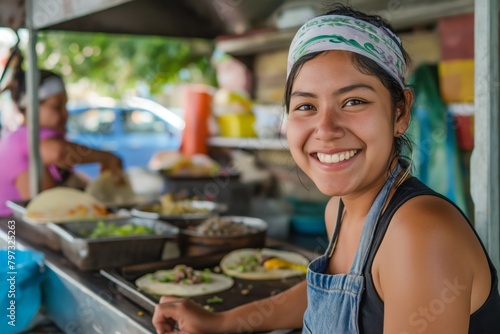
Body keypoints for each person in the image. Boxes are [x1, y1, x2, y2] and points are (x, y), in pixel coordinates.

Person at [152, 4, 500, 334]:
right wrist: (221, 322)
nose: (326, 129)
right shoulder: (340, 209)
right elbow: (331, 294)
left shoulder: (419, 231)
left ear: (400, 112)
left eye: (354, 101)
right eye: (306, 106)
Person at [0, 54, 123, 217]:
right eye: (57, 107)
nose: (65, 114)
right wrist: (107, 157)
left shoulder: (26, 138)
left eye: (65, 106)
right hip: (12, 235)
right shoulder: (21, 139)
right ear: (32, 108)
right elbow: (56, 151)